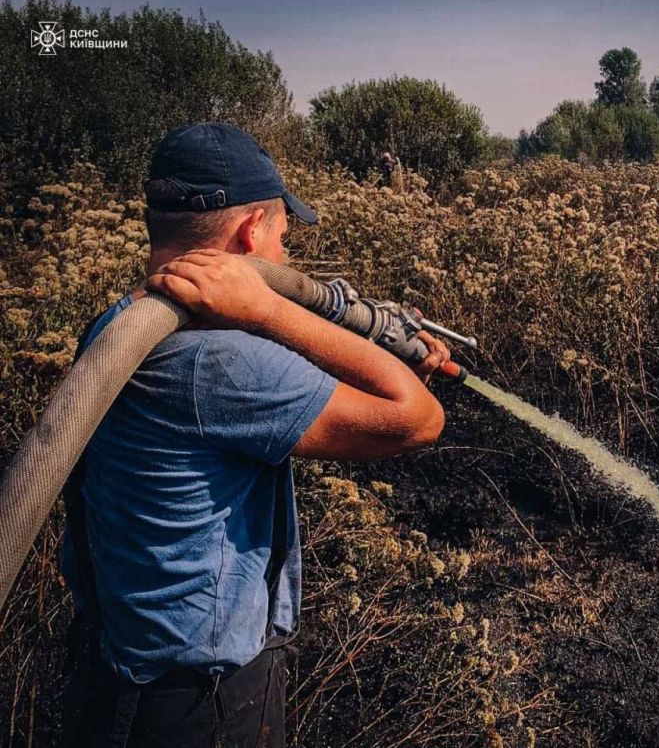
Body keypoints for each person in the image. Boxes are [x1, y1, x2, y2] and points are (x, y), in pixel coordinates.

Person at [59, 122, 450, 747]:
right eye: (284, 237)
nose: (287, 260)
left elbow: (263, 382)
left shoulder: (118, 325)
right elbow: (418, 418)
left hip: (114, 675)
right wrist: (271, 307)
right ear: (250, 232)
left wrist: (383, 337)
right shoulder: (216, 363)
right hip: (196, 704)